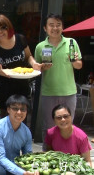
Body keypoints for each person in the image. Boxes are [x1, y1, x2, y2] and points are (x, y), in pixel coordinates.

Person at [34, 13, 82, 143]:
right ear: (45, 28)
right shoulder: (40, 47)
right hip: (49, 92)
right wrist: (41, 67)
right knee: (49, 126)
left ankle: (68, 152)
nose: (55, 28)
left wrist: (75, 61)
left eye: (58, 25)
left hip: (69, 92)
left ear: (62, 27)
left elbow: (79, 66)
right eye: (51, 25)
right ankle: (48, 154)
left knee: (68, 125)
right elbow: (37, 69)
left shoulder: (71, 43)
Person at [0, 14, 42, 118]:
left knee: (21, 117)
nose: (0, 32)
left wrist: (34, 64)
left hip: (22, 86)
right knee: (5, 120)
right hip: (4, 88)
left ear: (9, 27)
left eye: (3, 28)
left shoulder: (20, 39)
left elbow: (28, 56)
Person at [0, 95, 40, 175]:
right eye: (15, 108)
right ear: (8, 109)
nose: (19, 112)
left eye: (23, 109)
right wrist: (22, 172)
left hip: (15, 163)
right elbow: (0, 158)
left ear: (26, 111)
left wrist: (33, 169)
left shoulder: (26, 132)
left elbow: (28, 155)